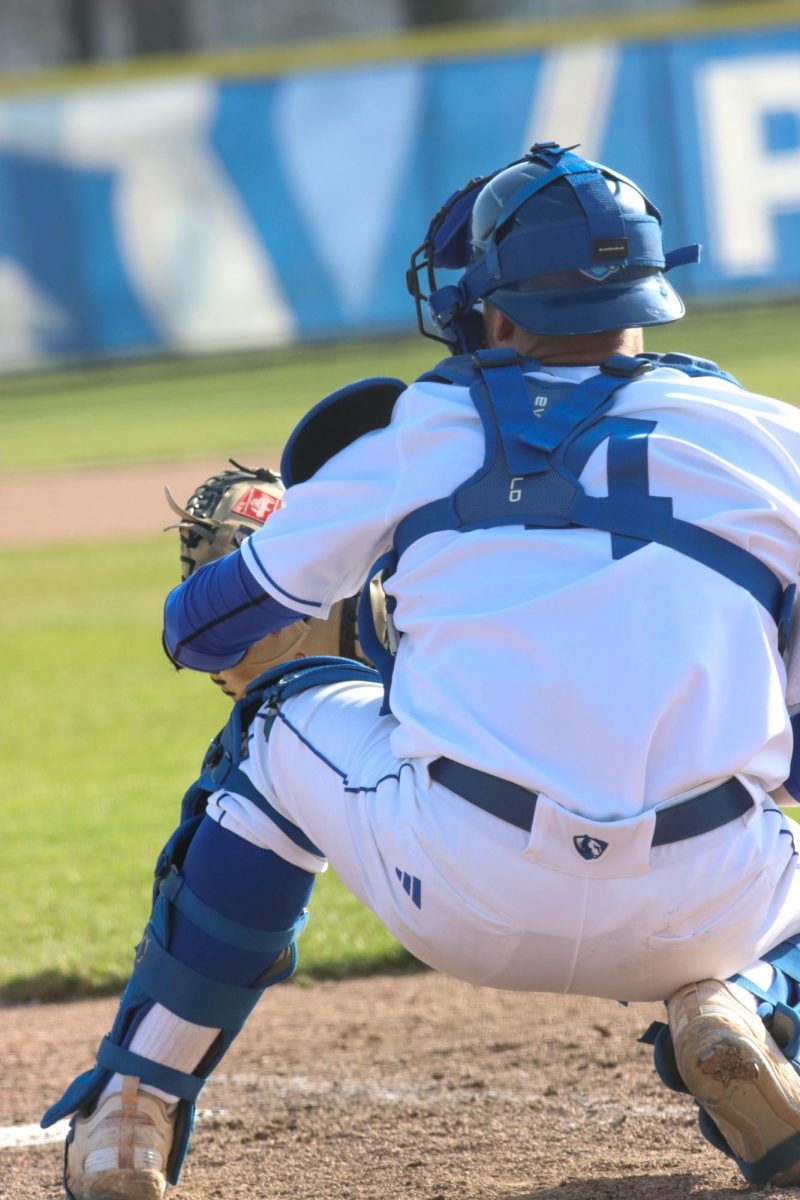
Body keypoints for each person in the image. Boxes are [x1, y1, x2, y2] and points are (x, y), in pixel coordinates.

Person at [44, 141, 800, 1197]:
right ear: (649, 293)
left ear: (489, 307)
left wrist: (352, 609)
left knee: (272, 728)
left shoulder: (422, 429)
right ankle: (756, 1005)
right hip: (704, 903)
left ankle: (133, 1104)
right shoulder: (771, 440)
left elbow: (200, 634)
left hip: (464, 887)